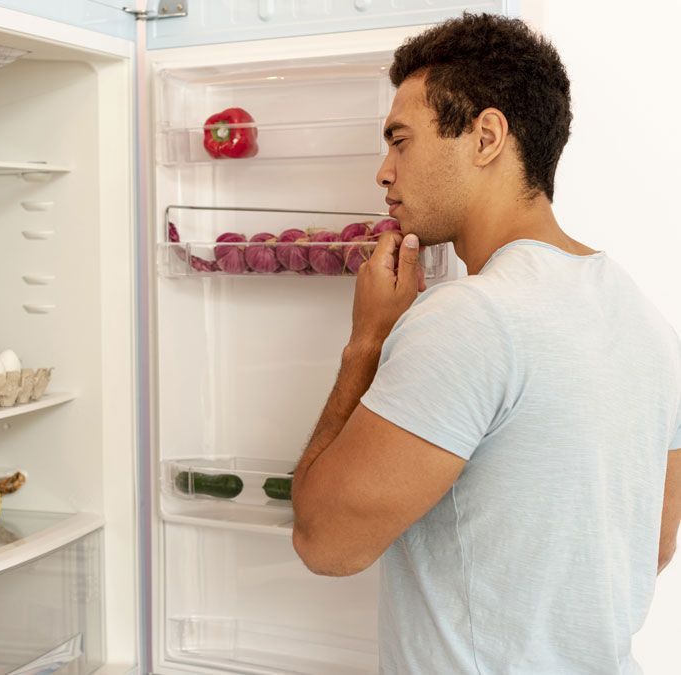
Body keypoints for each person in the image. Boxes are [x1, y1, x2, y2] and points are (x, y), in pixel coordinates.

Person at [290, 12, 681, 674]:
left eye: (399, 140)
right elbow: (651, 542)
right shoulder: (645, 319)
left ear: (486, 136)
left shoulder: (471, 317)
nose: (383, 173)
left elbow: (324, 542)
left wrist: (368, 342)